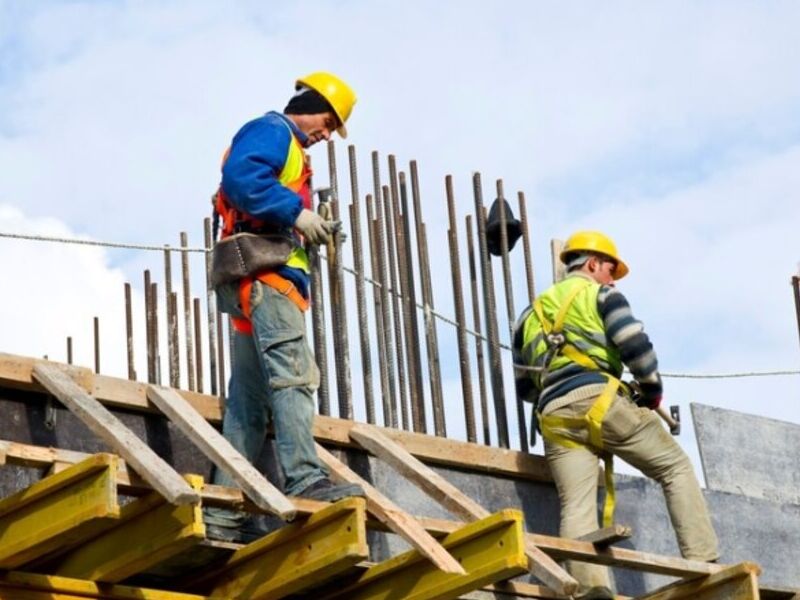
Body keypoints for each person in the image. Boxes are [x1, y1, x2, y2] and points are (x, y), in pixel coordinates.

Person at [513, 230, 718, 600]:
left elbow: (525, 387)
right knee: (675, 467)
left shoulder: (529, 315)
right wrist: (651, 391)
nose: (612, 277)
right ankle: (704, 560)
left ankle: (592, 591)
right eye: (610, 269)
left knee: (576, 505)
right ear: (592, 264)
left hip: (554, 416)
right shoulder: (601, 294)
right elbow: (635, 345)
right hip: (599, 399)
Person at [204, 72, 364, 544]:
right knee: (295, 377)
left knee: (249, 406)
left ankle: (224, 511)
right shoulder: (274, 131)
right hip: (269, 282)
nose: (327, 134)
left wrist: (308, 224)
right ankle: (305, 478)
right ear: (309, 104)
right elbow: (241, 179)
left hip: (253, 283)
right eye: (328, 121)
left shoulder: (289, 148)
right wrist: (296, 214)